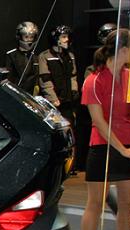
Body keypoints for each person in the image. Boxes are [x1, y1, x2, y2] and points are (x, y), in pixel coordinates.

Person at [80, 29, 130, 230]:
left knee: (128, 204)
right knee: (95, 203)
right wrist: (123, 150)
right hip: (103, 147)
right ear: (124, 50)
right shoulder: (94, 80)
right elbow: (99, 122)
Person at [38, 25, 79, 173]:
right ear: (55, 38)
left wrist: (74, 90)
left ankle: (71, 165)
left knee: (70, 131)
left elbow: (73, 75)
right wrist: (52, 98)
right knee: (54, 133)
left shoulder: (70, 55)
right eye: (63, 37)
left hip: (68, 101)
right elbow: (45, 79)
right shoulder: (45, 56)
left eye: (67, 37)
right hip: (53, 102)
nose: (66, 40)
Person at [5, 21, 40, 94]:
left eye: (31, 37)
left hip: (30, 94)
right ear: (19, 37)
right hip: (15, 93)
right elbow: (8, 76)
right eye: (26, 37)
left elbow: (36, 77)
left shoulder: (35, 56)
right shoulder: (11, 55)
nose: (29, 40)